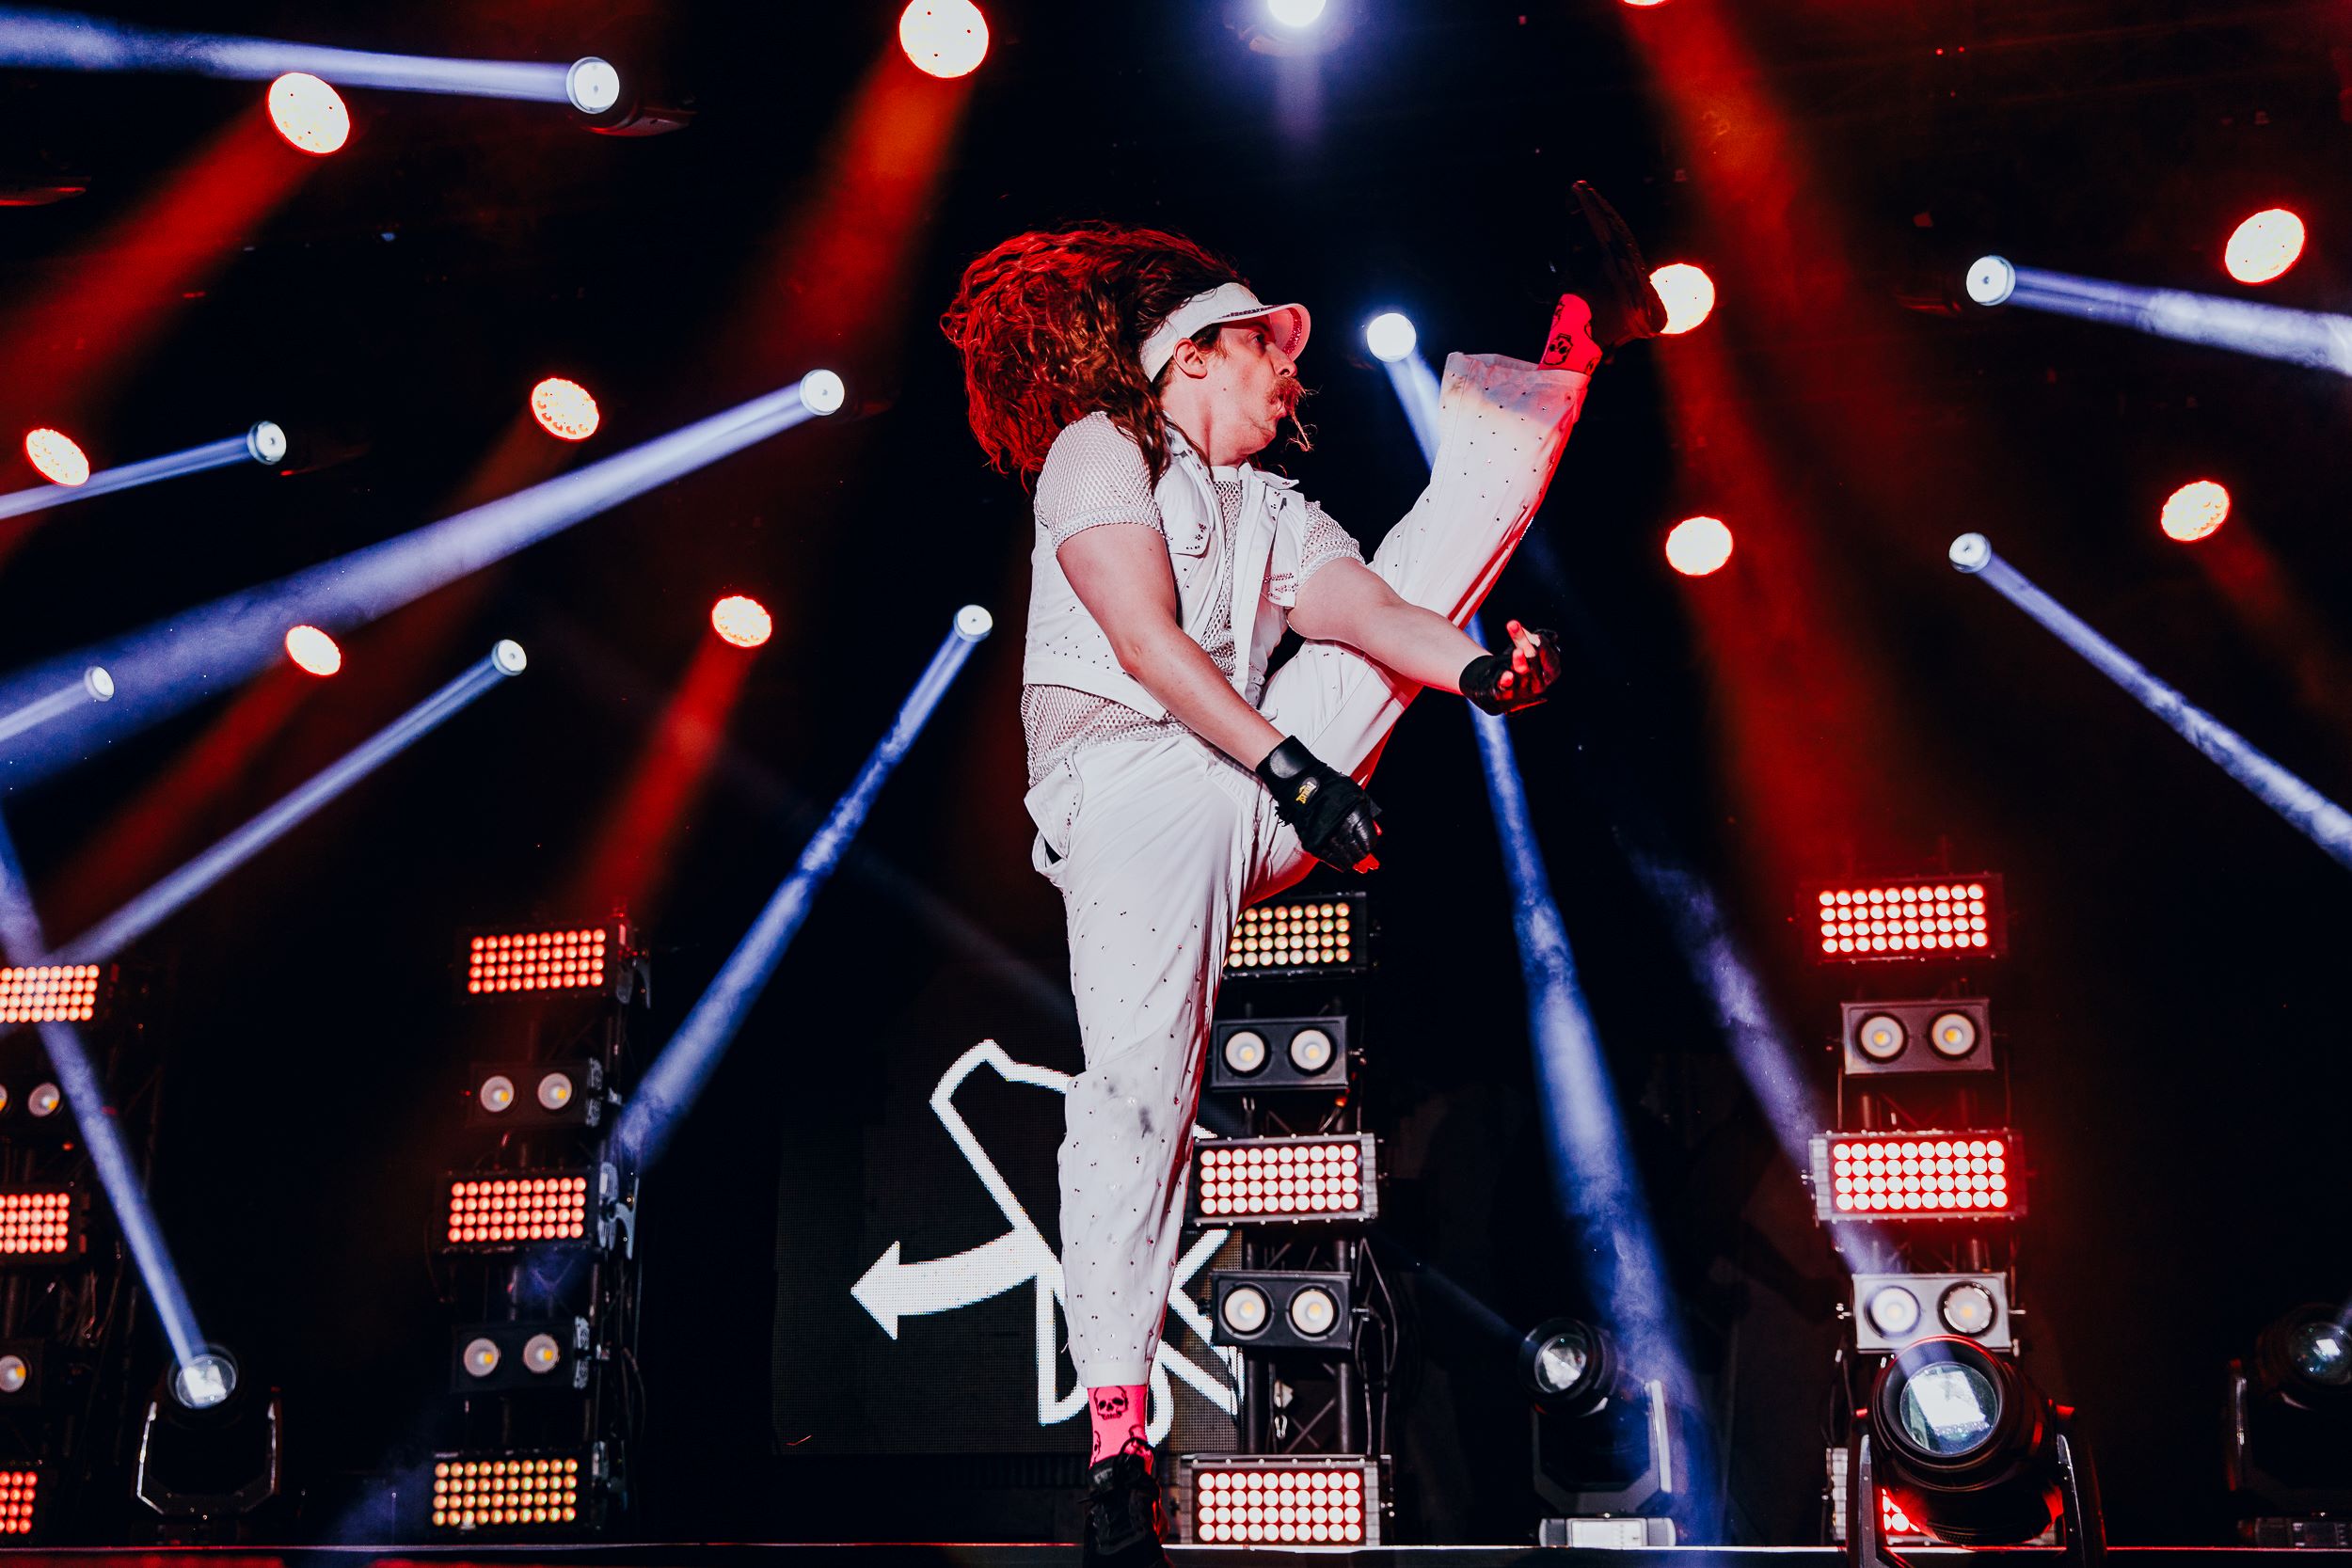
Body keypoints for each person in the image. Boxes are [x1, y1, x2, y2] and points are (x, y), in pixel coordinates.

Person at [939, 185, 1665, 1567]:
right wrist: (1295, 774)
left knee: (1425, 562)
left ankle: (1578, 339)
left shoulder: (1271, 504)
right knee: (1138, 1093)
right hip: (1134, 789)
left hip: (1246, 778)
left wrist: (1480, 674)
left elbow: (1376, 610)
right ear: (1189, 357)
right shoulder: (1099, 451)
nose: (1292, 370)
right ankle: (1117, 1443)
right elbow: (1147, 643)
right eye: (1265, 348)